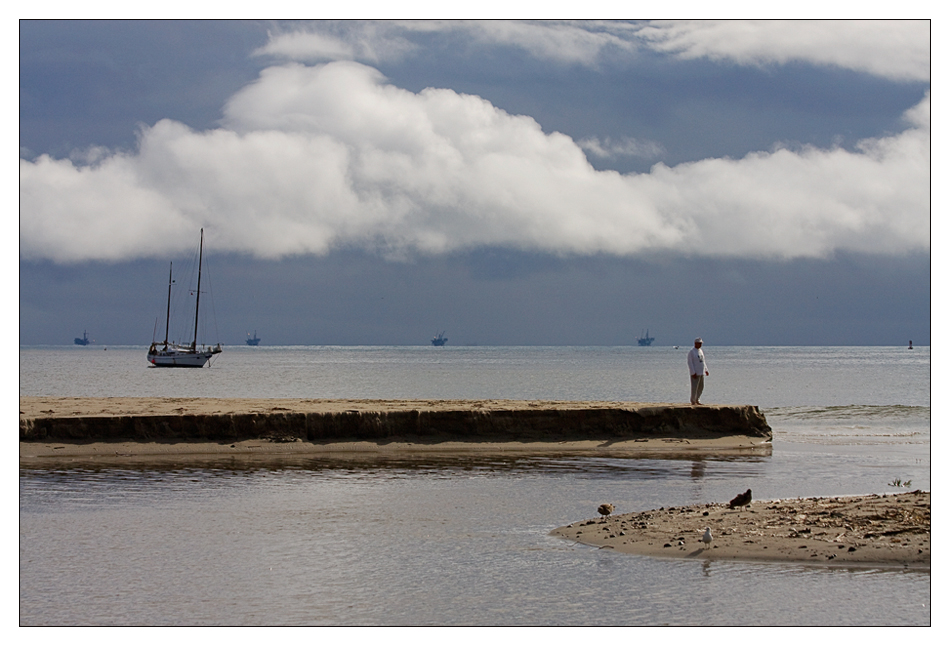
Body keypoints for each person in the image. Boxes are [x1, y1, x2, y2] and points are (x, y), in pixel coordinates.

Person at [687, 337, 709, 405]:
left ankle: (697, 399)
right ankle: (693, 400)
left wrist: (706, 369)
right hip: (695, 373)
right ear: (695, 344)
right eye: (699, 343)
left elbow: (703, 361)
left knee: (701, 387)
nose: (700, 345)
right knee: (694, 387)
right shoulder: (692, 352)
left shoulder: (701, 351)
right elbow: (690, 363)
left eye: (701, 343)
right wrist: (693, 372)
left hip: (701, 372)